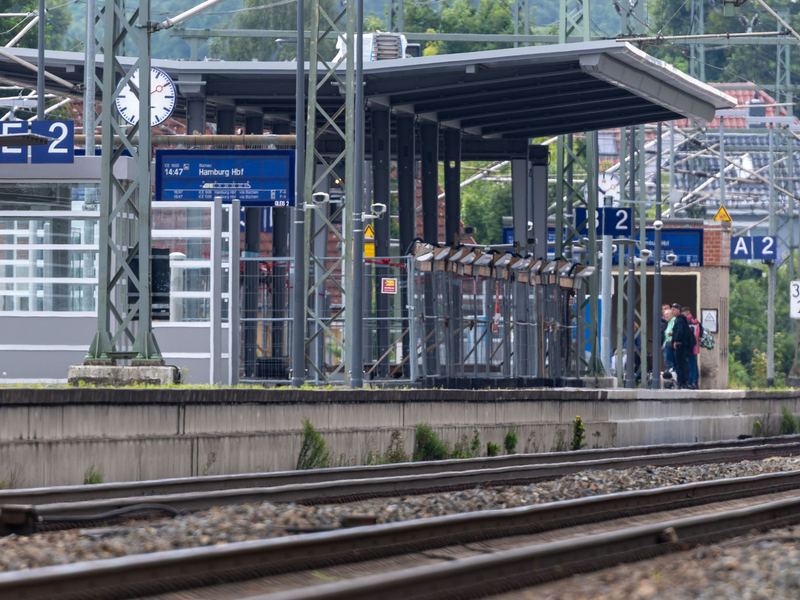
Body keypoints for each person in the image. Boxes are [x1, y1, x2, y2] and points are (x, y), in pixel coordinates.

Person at [670, 303, 691, 389]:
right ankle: (683, 381)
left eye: (674, 309)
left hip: (680, 346)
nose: (672, 311)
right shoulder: (680, 320)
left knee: (681, 365)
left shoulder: (680, 320)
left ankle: (683, 382)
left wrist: (676, 341)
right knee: (682, 364)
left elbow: (680, 331)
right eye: (672, 309)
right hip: (682, 345)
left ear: (679, 310)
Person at [682, 306, 700, 390]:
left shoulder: (689, 321)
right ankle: (695, 382)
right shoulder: (695, 320)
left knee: (691, 365)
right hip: (695, 346)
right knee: (694, 365)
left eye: (683, 313)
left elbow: (691, 335)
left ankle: (691, 382)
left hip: (691, 347)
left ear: (686, 312)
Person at [662, 303, 676, 371]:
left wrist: (671, 339)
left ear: (671, 314)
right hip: (666, 345)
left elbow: (675, 332)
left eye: (667, 314)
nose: (665, 316)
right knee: (668, 363)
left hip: (670, 346)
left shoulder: (673, 321)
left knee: (670, 364)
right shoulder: (669, 322)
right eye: (664, 315)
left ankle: (671, 377)